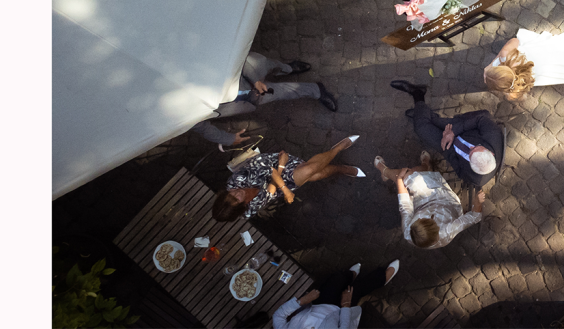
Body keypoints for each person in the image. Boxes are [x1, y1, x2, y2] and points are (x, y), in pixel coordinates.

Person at [191, 52, 340, 146]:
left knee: (268, 64)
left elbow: (233, 57)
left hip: (249, 71)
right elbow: (200, 127)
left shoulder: (195, 66)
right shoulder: (179, 112)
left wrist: (255, 79)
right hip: (246, 99)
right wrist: (227, 139)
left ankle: (287, 68)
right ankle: (317, 90)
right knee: (281, 92)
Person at [212, 136, 364, 221]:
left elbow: (270, 171)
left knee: (310, 171)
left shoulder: (235, 181)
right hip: (277, 183)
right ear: (241, 206)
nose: (236, 193)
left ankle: (339, 153)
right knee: (313, 174)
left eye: (231, 194)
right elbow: (269, 193)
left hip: (274, 163)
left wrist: (282, 168)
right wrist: (283, 186)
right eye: (237, 199)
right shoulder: (247, 212)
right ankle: (340, 165)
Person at [390, 81, 504, 189]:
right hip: (462, 129)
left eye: (470, 154)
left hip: (450, 149)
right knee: (432, 122)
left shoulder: (476, 179)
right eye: (475, 147)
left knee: (421, 128)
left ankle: (420, 107)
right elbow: (480, 119)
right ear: (491, 152)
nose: (470, 147)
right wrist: (453, 132)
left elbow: (459, 170)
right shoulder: (493, 136)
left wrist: (446, 148)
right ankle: (419, 100)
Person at [373, 151, 486, 248]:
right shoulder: (447, 231)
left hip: (423, 201)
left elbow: (405, 206)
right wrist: (477, 202)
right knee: (415, 172)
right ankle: (425, 166)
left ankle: (385, 172)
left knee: (409, 175)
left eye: (421, 219)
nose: (426, 216)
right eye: (429, 220)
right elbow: (474, 217)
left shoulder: (409, 232)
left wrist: (399, 180)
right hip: (446, 201)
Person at [271, 260, 400, 329]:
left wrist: (302, 301)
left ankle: (350, 276)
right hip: (339, 313)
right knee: (358, 288)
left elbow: (278, 316)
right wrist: (345, 305)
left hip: (318, 304)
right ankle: (383, 278)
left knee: (337, 278)